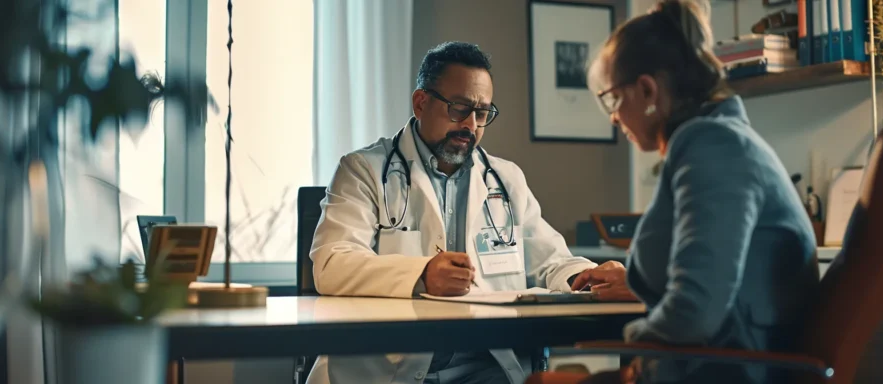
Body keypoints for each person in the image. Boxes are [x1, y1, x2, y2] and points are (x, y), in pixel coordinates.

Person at [306, 41, 638, 384]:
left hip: (487, 369)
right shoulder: (363, 169)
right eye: (459, 108)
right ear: (421, 103)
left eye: (482, 113)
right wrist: (422, 275)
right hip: (389, 372)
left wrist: (586, 276)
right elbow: (332, 263)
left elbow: (549, 261)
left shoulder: (505, 178)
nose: (471, 125)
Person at [537, 1, 821, 383]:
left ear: (647, 89)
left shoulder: (712, 149)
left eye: (613, 99)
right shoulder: (714, 141)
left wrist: (635, 344)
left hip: (729, 372)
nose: (614, 117)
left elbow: (697, 310)